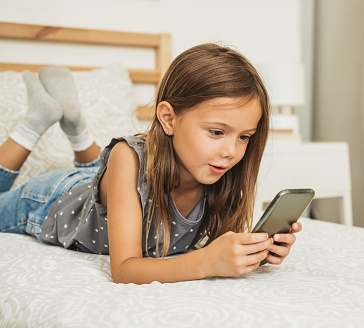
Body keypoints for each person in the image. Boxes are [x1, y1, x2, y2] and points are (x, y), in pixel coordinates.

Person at [0, 43, 302, 284]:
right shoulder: (127, 157)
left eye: (244, 137)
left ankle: (77, 129)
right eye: (216, 132)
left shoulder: (214, 171)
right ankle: (36, 121)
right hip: (53, 198)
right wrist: (208, 260)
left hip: (107, 190)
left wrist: (253, 251)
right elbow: (124, 270)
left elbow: (222, 244)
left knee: (102, 179)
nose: (231, 152)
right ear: (168, 118)